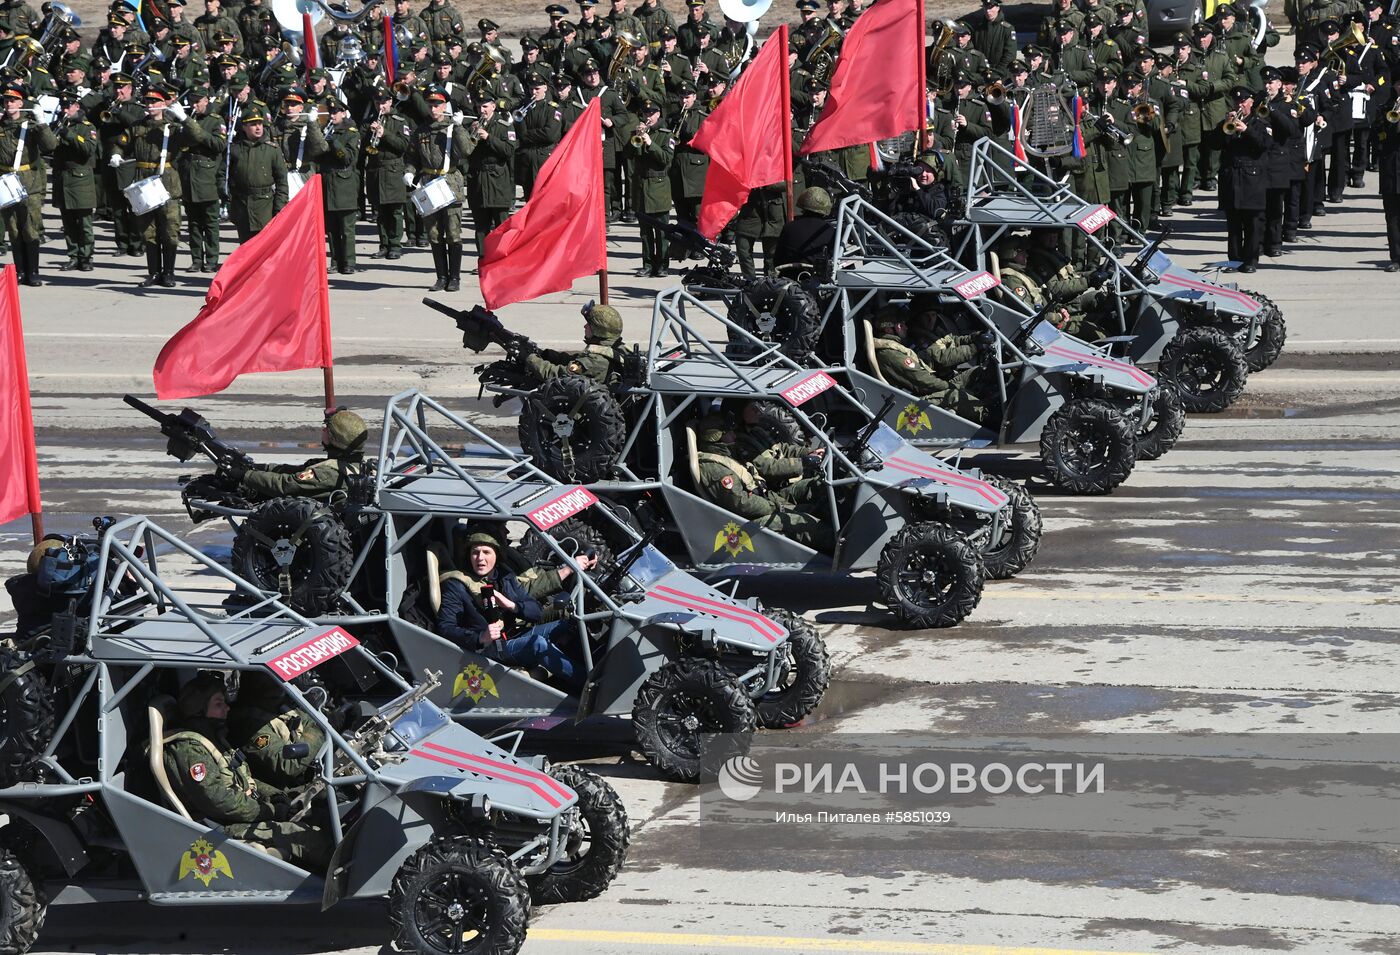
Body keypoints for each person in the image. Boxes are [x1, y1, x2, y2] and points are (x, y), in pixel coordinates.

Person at [162, 673, 332, 869]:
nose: (227, 707)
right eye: (219, 704)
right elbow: (219, 801)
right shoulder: (188, 750)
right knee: (303, 837)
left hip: (246, 811)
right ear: (199, 710)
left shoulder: (213, 737)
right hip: (222, 826)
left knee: (321, 809)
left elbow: (244, 776)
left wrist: (276, 796)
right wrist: (270, 811)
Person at [437, 527, 584, 688]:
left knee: (570, 625)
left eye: (486, 552)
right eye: (475, 552)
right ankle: (588, 686)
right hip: (490, 650)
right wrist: (480, 637)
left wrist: (510, 605)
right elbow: (446, 628)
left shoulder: (504, 577)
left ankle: (591, 670)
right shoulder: (456, 585)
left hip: (512, 635)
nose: (480, 558)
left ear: (496, 556)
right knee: (538, 644)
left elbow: (536, 612)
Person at [693, 412, 834, 552]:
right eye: (729, 433)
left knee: (814, 509)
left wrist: (808, 453)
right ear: (717, 437)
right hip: (747, 523)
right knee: (805, 524)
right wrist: (777, 507)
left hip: (766, 499)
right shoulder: (715, 469)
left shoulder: (728, 451)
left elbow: (780, 449)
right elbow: (743, 504)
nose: (734, 435)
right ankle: (842, 549)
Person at [870, 308, 994, 425]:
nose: (906, 327)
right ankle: (993, 418)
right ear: (888, 330)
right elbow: (923, 382)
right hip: (913, 403)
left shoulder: (899, 343)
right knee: (954, 395)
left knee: (977, 372)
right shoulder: (890, 355)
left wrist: (977, 336)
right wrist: (955, 388)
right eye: (901, 325)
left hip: (929, 387)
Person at [226, 409, 368, 501]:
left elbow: (286, 485)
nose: (323, 429)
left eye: (328, 429)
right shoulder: (353, 466)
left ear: (336, 440)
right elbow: (296, 471)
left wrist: (246, 475)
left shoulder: (327, 474)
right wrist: (262, 467)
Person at [411, 85, 472, 290]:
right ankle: (441, 276)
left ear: (445, 105)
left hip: (450, 182)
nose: (434, 108)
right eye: (431, 104)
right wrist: (409, 171)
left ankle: (454, 277)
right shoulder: (421, 130)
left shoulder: (451, 127)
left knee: (453, 233)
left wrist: (460, 127)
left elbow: (466, 151)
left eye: (438, 104)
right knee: (434, 233)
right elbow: (412, 157)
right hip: (429, 183)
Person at [228, 670, 326, 788]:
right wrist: (318, 730)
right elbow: (289, 765)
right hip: (285, 792)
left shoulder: (276, 705)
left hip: (312, 771)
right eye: (268, 679)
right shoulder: (249, 724)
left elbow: (307, 720)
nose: (278, 685)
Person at [0, 82, 57, 286]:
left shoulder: (30, 125)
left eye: (13, 99)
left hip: (28, 184)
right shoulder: (1, 125)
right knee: (14, 230)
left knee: (29, 228)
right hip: (6, 184)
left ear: (21, 102)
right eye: (6, 99)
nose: (9, 103)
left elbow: (50, 146)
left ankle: (33, 272)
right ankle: (20, 272)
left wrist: (42, 123)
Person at [1219, 85, 1270, 272]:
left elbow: (1264, 144)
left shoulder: (1260, 122)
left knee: (1252, 224)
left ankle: (1250, 260)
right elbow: (1214, 144)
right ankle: (1234, 260)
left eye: (1243, 101)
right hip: (1232, 179)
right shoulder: (1228, 122)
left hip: (1252, 180)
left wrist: (1247, 130)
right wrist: (1223, 125)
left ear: (1251, 102)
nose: (1240, 105)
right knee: (1233, 225)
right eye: (1237, 101)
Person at [177, 87, 227, 273]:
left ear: (207, 100)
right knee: (193, 223)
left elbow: (219, 144)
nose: (194, 104)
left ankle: (212, 259)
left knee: (210, 222)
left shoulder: (215, 121)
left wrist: (192, 127)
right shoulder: (189, 118)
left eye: (198, 101)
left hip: (207, 175)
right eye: (192, 100)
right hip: (189, 173)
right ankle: (196, 259)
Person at [464, 89, 517, 260]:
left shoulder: (504, 126)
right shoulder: (471, 125)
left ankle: (503, 258)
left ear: (493, 106)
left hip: (497, 180)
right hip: (478, 180)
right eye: (479, 106)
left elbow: (509, 150)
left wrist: (488, 138)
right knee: (480, 226)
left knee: (501, 224)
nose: (482, 110)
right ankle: (483, 258)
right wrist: (466, 134)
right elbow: (464, 153)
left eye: (485, 106)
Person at [51, 92, 99, 273]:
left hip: (80, 179)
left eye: (68, 106)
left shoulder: (87, 127)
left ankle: (86, 257)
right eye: (63, 106)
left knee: (84, 223)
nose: (65, 110)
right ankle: (73, 255)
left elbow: (88, 149)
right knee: (68, 223)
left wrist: (68, 134)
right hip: (63, 179)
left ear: (77, 107)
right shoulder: (60, 124)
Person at [625, 99, 674, 276]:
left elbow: (666, 159)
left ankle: (662, 265)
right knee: (645, 233)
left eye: (652, 113)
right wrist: (635, 138)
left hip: (659, 188)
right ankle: (647, 264)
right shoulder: (637, 132)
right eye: (646, 114)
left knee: (661, 233)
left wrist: (650, 143)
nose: (648, 117)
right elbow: (628, 155)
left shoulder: (666, 135)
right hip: (641, 188)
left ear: (658, 114)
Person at [225, 105, 288, 242]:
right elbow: (225, 177)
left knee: (265, 249)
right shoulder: (235, 150)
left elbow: (282, 181)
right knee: (246, 248)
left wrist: (279, 207)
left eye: (260, 123)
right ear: (244, 127)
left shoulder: (272, 150)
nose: (258, 127)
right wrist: (230, 200)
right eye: (253, 125)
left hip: (265, 207)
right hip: (243, 207)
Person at [524, 303, 628, 384]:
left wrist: (531, 359)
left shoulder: (596, 361)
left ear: (598, 330)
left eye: (589, 324)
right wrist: (547, 355)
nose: (585, 326)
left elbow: (557, 375)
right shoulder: (616, 348)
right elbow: (576, 360)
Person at [320, 100, 361, 275]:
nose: (332, 115)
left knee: (347, 228)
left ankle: (349, 261)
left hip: (345, 183)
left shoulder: (351, 133)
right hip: (328, 182)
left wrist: (333, 142)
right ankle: (336, 261)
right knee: (332, 228)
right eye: (330, 112)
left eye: (336, 112)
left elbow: (348, 159)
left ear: (344, 113)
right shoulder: (325, 130)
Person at [773, 187, 836, 273]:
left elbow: (777, 260)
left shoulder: (789, 227)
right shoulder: (829, 230)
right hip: (817, 280)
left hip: (789, 278)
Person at [1379, 108, 1399, 272]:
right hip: (1391, 172)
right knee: (1392, 219)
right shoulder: (1386, 108)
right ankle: (1396, 258)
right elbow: (1376, 137)